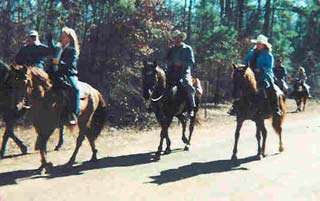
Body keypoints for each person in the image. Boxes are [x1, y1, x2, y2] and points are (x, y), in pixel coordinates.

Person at [229, 34, 282, 117]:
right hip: (251, 73)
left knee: (271, 87)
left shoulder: (268, 55)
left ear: (264, 45)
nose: (257, 45)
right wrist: (243, 67)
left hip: (264, 74)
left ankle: (276, 108)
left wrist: (261, 69)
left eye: (259, 44)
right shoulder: (252, 52)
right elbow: (245, 61)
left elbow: (269, 67)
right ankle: (235, 106)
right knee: (240, 84)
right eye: (257, 43)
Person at [52, 27, 81, 125]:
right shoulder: (59, 48)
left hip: (69, 73)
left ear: (69, 38)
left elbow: (69, 64)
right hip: (57, 73)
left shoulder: (72, 50)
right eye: (61, 36)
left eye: (63, 36)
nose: (61, 38)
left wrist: (58, 62)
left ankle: (74, 113)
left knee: (75, 89)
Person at [166, 30, 196, 117]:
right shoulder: (171, 49)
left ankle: (191, 107)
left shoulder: (187, 49)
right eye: (175, 38)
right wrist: (170, 64)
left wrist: (181, 63)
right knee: (159, 82)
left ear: (181, 38)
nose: (176, 40)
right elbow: (167, 60)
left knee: (187, 84)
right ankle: (154, 104)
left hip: (184, 71)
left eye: (178, 38)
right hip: (172, 71)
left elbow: (191, 62)